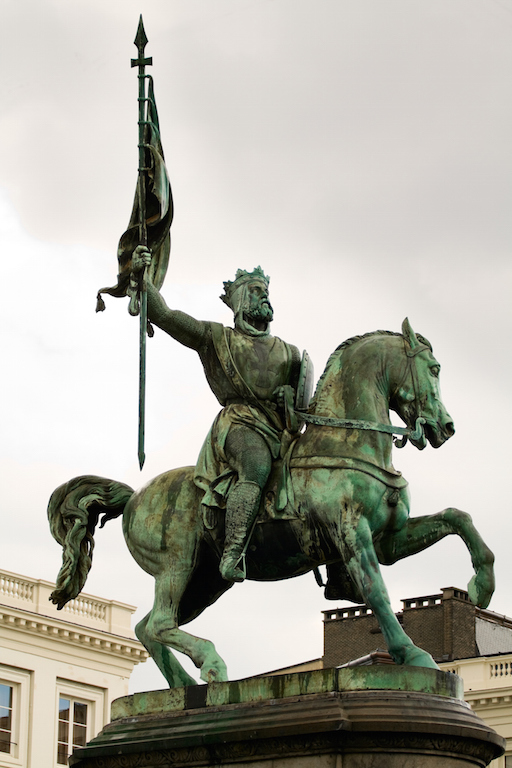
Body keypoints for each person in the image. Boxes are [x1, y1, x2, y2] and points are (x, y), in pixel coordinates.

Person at [131, 247, 306, 582]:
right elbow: (166, 316)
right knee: (254, 465)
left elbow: (300, 411)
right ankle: (233, 551)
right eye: (255, 292)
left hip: (281, 432)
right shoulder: (217, 338)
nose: (264, 297)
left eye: (266, 292)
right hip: (240, 425)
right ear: (238, 301)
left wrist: (290, 401)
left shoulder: (290, 353)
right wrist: (144, 280)